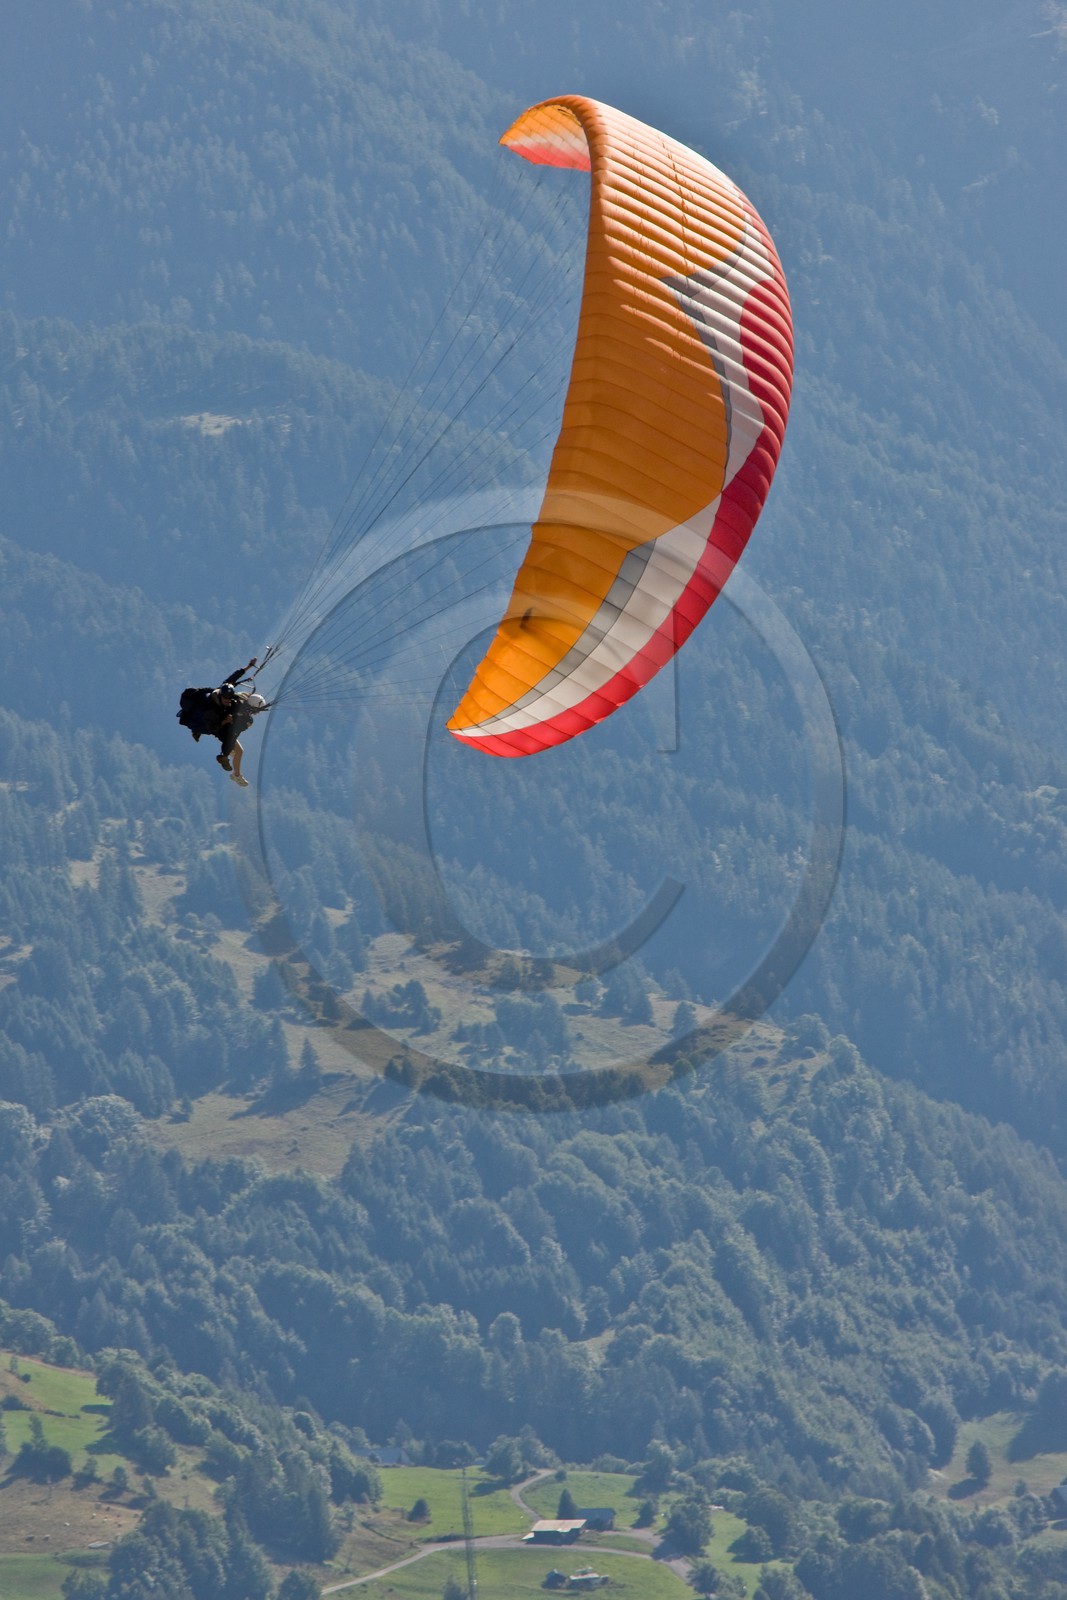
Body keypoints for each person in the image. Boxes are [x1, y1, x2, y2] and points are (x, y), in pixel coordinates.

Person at [177, 658, 267, 786]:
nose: (228, 701)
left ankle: (234, 768)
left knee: (237, 749)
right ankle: (235, 772)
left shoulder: (225, 690)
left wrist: (249, 666)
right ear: (220, 696)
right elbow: (213, 729)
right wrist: (225, 721)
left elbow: (233, 677)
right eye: (225, 699)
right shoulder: (211, 710)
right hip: (214, 725)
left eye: (230, 699)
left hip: (219, 721)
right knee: (237, 749)